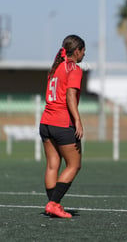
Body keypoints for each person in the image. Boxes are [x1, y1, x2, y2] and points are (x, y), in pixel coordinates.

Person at [39, 34, 86, 218]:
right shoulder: (74, 68)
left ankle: (53, 206)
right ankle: (54, 203)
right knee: (74, 165)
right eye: (83, 51)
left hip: (46, 122)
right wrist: (78, 120)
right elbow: (70, 96)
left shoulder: (56, 67)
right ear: (77, 51)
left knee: (53, 165)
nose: (84, 55)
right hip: (62, 122)